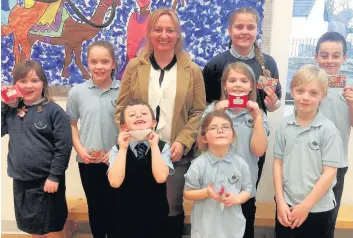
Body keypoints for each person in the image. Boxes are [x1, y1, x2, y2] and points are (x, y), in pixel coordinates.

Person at [115, 8, 206, 238]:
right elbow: (121, 109)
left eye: (169, 30)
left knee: (171, 209)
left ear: (177, 34)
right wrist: (131, 138)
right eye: (157, 29)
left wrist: (183, 141)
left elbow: (198, 112)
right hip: (139, 153)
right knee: (140, 209)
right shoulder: (135, 67)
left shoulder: (192, 70)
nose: (163, 35)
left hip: (175, 153)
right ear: (149, 32)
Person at [202, 7, 282, 202]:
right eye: (239, 27)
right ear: (230, 31)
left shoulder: (268, 64)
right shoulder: (215, 64)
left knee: (247, 195)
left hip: (252, 137)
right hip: (221, 140)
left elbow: (274, 103)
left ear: (257, 31)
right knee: (218, 195)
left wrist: (272, 104)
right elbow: (207, 106)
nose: (244, 32)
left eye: (250, 27)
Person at [1, 59, 72, 237]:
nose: (28, 86)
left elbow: (63, 148)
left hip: (48, 182)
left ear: (43, 84)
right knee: (32, 226)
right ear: (15, 84)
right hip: (22, 181)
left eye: (34, 80)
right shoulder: (11, 111)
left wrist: (55, 176)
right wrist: (4, 103)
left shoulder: (54, 111)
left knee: (52, 227)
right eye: (22, 81)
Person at [273, 64, 342, 238]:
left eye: (313, 93)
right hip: (286, 207)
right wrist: (280, 202)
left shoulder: (328, 130)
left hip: (318, 209)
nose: (305, 97)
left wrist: (306, 206)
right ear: (292, 91)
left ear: (323, 95)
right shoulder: (283, 126)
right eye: (300, 91)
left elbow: (330, 173)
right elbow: (277, 164)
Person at [202, 62, 268, 238]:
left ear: (251, 86)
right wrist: (216, 115)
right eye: (232, 80)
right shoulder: (212, 110)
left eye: (244, 80)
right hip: (215, 185)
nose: (238, 84)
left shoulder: (257, 113)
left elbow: (259, 151)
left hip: (244, 188)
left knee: (244, 230)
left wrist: (257, 119)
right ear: (224, 85)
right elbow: (202, 146)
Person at [66, 40, 120, 238]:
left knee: (116, 207)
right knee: (95, 206)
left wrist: (116, 151)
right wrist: (80, 149)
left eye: (105, 62)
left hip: (117, 161)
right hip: (88, 161)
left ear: (113, 63)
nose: (99, 67)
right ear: (87, 63)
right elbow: (71, 125)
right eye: (94, 62)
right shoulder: (77, 92)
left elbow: (129, 127)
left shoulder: (123, 91)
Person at [108, 100, 174, 238]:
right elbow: (114, 182)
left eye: (144, 113)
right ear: (124, 127)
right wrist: (123, 149)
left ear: (154, 123)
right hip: (124, 215)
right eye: (132, 115)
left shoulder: (162, 147)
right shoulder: (117, 149)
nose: (139, 116)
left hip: (156, 214)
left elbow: (161, 177)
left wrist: (154, 146)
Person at [184, 110, 252, 238]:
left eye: (225, 127)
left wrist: (236, 198)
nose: (220, 130)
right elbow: (188, 193)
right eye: (213, 128)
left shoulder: (241, 164)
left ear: (233, 135)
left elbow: (247, 189)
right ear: (204, 138)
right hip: (204, 229)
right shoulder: (198, 165)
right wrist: (206, 192)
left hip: (233, 229)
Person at [315, 31, 353, 238]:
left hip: (337, 162)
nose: (330, 60)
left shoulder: (350, 87)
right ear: (316, 57)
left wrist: (351, 103)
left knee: (329, 215)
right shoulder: (309, 85)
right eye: (324, 55)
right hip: (307, 159)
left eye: (336, 55)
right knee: (303, 213)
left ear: (344, 58)